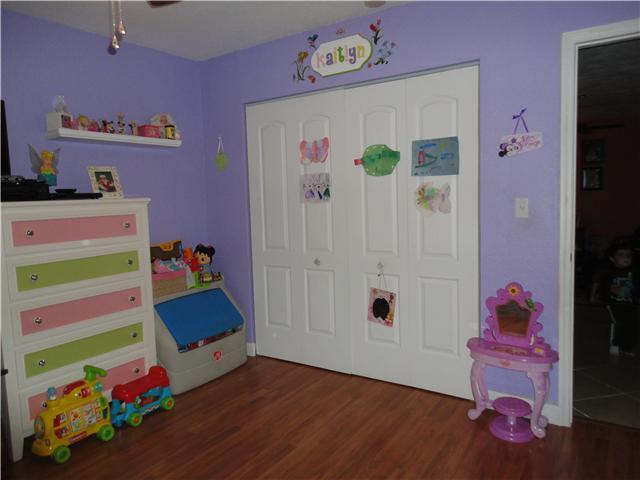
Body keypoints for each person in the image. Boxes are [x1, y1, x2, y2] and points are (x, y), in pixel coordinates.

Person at [590, 237, 638, 355]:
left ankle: (626, 346)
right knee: (620, 322)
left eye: (628, 255)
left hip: (629, 303)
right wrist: (593, 296)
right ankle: (616, 344)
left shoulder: (633, 271)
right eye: (621, 255)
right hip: (613, 302)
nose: (626, 258)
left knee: (634, 321)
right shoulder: (608, 271)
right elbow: (597, 283)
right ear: (612, 258)